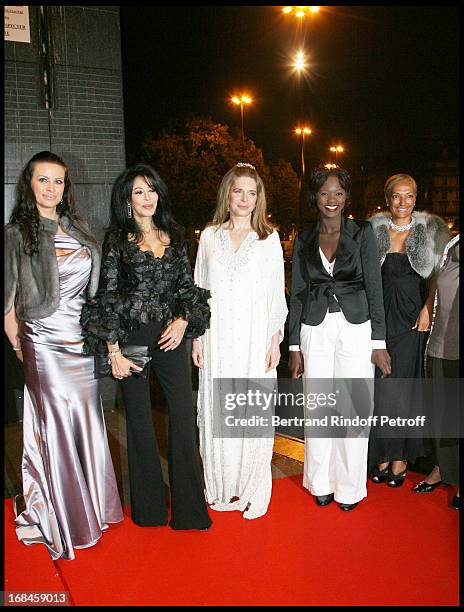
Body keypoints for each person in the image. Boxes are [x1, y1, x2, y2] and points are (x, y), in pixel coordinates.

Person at [4, 151, 123, 561]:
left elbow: (96, 286)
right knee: (54, 424)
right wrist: (21, 344)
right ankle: (66, 518)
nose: (51, 188)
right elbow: (7, 301)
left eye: (58, 181)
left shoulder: (78, 227)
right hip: (44, 340)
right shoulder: (16, 233)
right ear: (29, 185)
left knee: (88, 420)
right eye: (43, 180)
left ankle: (94, 506)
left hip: (81, 337)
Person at [81, 163, 212, 530]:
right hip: (131, 342)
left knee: (183, 420)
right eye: (138, 191)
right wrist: (113, 351)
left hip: (172, 337)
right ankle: (150, 511)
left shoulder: (175, 234)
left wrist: (184, 319)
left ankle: (189, 511)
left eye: (151, 189)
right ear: (127, 199)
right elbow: (106, 297)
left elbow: (187, 289)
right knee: (139, 423)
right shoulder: (117, 242)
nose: (147, 197)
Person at [288, 166, 390, 511]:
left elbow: (374, 287)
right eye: (324, 193)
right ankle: (321, 482)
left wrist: (379, 342)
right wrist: (293, 345)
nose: (331, 200)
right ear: (314, 198)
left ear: (347, 197)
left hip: (356, 326)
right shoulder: (303, 238)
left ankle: (349, 487)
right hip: (314, 326)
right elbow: (298, 293)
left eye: (338, 193)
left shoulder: (361, 232)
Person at [192, 162, 288, 519]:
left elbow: (276, 294)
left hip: (252, 338)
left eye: (252, 193)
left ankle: (249, 487)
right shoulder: (208, 236)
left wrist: (274, 339)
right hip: (217, 338)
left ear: (258, 198)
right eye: (238, 191)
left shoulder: (269, 239)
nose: (244, 199)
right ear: (227, 195)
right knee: (218, 411)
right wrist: (197, 338)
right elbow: (198, 290)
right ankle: (220, 486)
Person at [368, 173, 450, 487]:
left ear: (416, 199)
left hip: (410, 318)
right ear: (387, 199)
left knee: (401, 386)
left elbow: (436, 277)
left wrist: (428, 307)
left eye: (409, 196)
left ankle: (399, 455)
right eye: (396, 196)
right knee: (380, 385)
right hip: (379, 318)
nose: (403, 202)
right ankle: (384, 453)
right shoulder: (373, 230)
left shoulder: (429, 231)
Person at [412, 233, 459, 509]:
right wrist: (427, 306)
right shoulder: (451, 245)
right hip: (440, 344)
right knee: (441, 412)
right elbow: (436, 283)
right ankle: (442, 468)